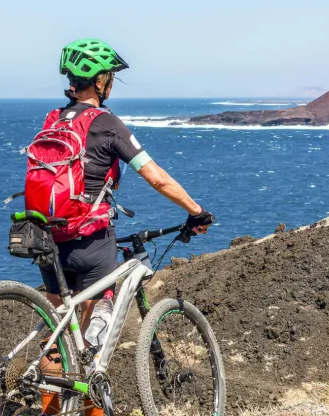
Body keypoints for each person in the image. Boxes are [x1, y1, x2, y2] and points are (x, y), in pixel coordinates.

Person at [39, 38, 214, 415]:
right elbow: (157, 178)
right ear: (101, 81)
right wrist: (196, 211)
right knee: (91, 346)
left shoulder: (53, 119)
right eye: (110, 77)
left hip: (48, 238)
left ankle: (50, 409)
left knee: (58, 339)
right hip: (90, 240)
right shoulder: (107, 124)